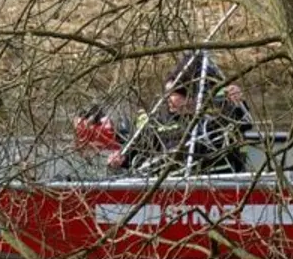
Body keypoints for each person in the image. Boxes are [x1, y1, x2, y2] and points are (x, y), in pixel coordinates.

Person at [108, 51, 252, 174]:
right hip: (165, 184)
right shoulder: (158, 122)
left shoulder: (209, 120)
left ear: (191, 96)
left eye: (173, 94)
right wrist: (120, 160)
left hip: (210, 182)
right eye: (166, 93)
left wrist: (238, 103)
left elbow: (242, 124)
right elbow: (137, 150)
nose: (167, 99)